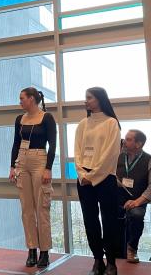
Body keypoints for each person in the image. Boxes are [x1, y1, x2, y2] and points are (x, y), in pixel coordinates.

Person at [74, 87, 121, 275]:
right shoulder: (82, 124)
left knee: (109, 220)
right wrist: (81, 175)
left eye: (89, 98)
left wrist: (92, 177)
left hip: (104, 179)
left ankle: (111, 262)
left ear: (100, 99)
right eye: (86, 98)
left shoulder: (111, 123)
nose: (86, 101)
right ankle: (97, 260)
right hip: (84, 179)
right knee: (90, 221)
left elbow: (111, 154)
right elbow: (77, 153)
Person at [9, 87, 56, 268]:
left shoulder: (47, 117)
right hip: (22, 160)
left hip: (39, 161)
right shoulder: (19, 119)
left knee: (41, 208)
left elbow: (53, 144)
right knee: (26, 209)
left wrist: (48, 168)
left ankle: (44, 251)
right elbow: (15, 142)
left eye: (22, 98)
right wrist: (12, 165)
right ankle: (31, 249)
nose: (20, 101)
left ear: (32, 99)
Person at [116, 129, 151, 263]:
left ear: (138, 144)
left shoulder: (148, 159)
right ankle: (113, 249)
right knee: (108, 213)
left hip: (138, 199)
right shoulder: (117, 156)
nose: (124, 141)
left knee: (136, 215)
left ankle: (132, 248)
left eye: (129, 139)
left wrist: (138, 201)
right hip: (118, 198)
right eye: (125, 138)